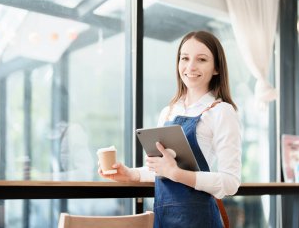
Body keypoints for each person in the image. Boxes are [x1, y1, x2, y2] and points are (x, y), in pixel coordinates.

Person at [98, 30, 242, 228]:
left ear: (216, 68)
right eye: (185, 58)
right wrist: (131, 174)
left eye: (201, 59)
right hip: (164, 218)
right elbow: (162, 169)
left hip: (199, 220)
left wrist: (177, 174)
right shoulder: (168, 112)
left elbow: (230, 183)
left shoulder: (221, 112)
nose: (190, 66)